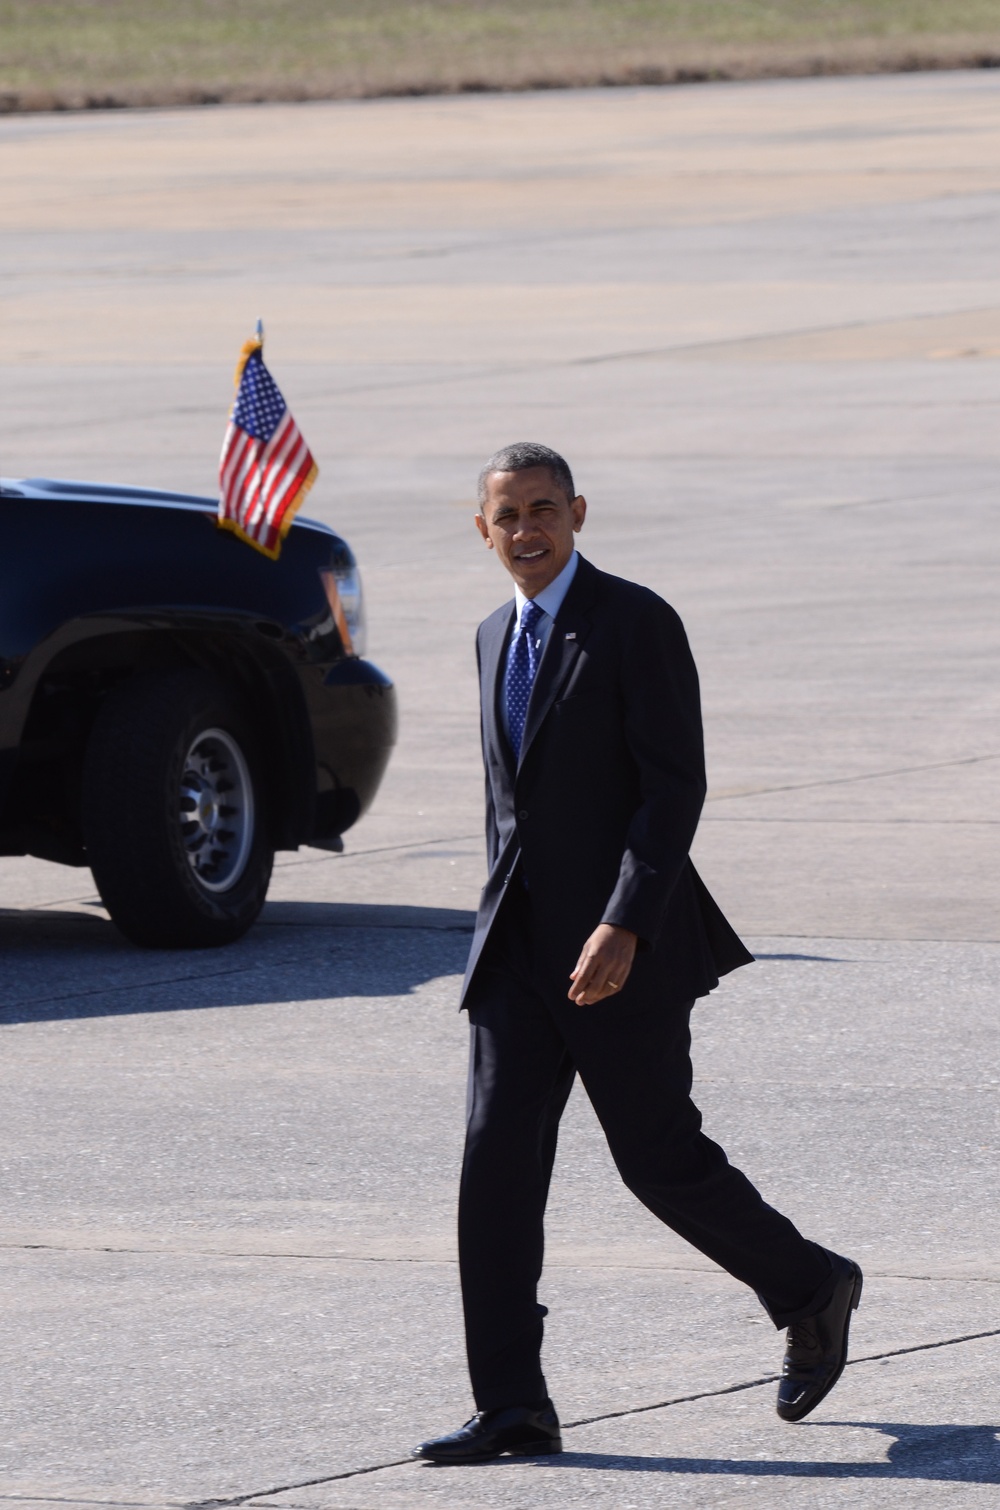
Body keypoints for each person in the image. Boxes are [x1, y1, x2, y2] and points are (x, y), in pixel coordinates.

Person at [413, 443, 861, 1465]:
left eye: (543, 511)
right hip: (516, 958)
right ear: (479, 528)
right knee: (492, 1174)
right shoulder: (492, 635)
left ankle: (810, 1285)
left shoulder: (634, 622)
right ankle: (512, 1403)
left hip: (621, 947)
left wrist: (624, 921)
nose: (526, 532)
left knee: (656, 1161)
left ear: (577, 513)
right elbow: (510, 810)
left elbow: (674, 789)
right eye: (507, 516)